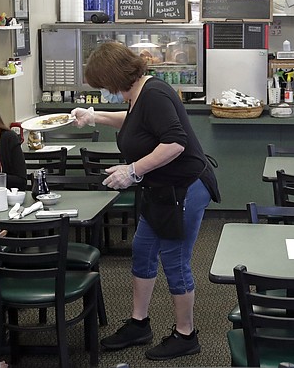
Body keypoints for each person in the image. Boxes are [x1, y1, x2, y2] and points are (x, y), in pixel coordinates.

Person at [71, 42, 220, 361]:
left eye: (104, 85)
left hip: (185, 188)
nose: (105, 90)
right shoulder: (139, 94)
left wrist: (132, 170)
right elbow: (134, 124)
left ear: (114, 77)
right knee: (143, 250)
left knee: (175, 261)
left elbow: (175, 143)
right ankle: (139, 324)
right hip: (160, 189)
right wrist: (93, 115)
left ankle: (186, 334)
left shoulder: (154, 93)